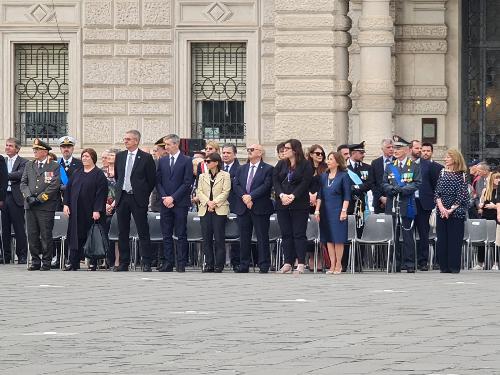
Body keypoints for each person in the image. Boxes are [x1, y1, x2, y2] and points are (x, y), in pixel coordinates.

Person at [113, 130, 156, 272]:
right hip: (123, 197)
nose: (125, 141)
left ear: (136, 141)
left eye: (129, 139)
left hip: (137, 198)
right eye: (125, 139)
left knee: (143, 230)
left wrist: (143, 193)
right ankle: (124, 262)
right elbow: (118, 176)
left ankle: (146, 262)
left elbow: (151, 180)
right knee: (122, 231)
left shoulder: (146, 157)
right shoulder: (120, 156)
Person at [63, 149, 108, 271]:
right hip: (76, 211)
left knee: (91, 235)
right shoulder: (77, 172)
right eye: (83, 156)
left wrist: (97, 209)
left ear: (93, 158)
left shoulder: (99, 174)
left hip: (91, 211)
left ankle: (92, 262)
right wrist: (66, 204)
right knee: (74, 236)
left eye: (87, 156)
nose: (84, 158)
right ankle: (73, 262)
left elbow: (101, 194)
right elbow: (68, 189)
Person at [273, 139, 313, 274]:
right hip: (282, 203)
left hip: (299, 203)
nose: (284, 150)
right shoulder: (281, 164)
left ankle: (301, 262)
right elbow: (275, 181)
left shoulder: (306, 164)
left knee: (299, 234)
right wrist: (281, 195)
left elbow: (305, 182)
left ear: (295, 150)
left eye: (287, 148)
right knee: (286, 234)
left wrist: (293, 196)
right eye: (283, 148)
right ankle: (287, 262)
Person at [233, 144, 274, 273]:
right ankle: (244, 264)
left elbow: (266, 186)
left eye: (252, 150)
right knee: (244, 237)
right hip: (243, 207)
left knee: (262, 237)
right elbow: (236, 184)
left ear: (260, 153)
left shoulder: (268, 169)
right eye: (248, 150)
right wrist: (245, 197)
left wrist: (251, 197)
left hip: (260, 207)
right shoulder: (242, 168)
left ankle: (263, 264)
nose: (249, 152)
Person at [20, 139, 60, 271]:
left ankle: (46, 262)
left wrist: (39, 198)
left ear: (45, 152)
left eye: (37, 150)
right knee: (32, 234)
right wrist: (28, 196)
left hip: (45, 206)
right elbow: (23, 183)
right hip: (30, 206)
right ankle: (35, 261)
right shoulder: (29, 165)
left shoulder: (54, 165)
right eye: (34, 150)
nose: (35, 152)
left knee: (45, 234)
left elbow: (54, 185)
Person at [383, 136, 421, 273]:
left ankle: (410, 264)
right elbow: (384, 184)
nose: (395, 150)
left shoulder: (414, 166)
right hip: (393, 204)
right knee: (393, 235)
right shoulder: (389, 166)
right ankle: (395, 263)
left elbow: (417, 183)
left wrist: (403, 190)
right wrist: (392, 189)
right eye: (394, 148)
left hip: (407, 204)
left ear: (406, 149)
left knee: (407, 236)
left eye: (398, 148)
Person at [156, 134, 194, 273]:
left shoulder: (186, 160)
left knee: (181, 233)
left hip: (180, 203)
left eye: (167, 144)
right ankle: (168, 262)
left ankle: (181, 262)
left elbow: (187, 182)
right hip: (165, 202)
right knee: (166, 234)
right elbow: (158, 181)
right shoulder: (162, 160)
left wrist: (173, 198)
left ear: (176, 144)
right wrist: (165, 197)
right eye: (165, 145)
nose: (165, 147)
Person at [315, 151, 351, 274]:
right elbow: (320, 195)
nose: (328, 161)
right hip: (325, 210)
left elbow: (347, 196)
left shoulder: (343, 176)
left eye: (331, 159)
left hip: (338, 210)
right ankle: (331, 264)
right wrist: (317, 210)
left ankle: (338, 264)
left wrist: (344, 211)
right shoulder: (324, 176)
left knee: (338, 238)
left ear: (337, 162)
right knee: (328, 238)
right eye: (328, 159)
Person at [435, 148, 470, 274]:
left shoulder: (462, 175)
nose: (445, 159)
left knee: (454, 240)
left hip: (456, 211)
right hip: (441, 210)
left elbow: (462, 193)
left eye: (448, 157)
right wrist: (441, 207)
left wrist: (451, 209)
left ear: (455, 159)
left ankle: (454, 266)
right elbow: (437, 192)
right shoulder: (442, 172)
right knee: (442, 239)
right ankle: (443, 267)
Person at [410, 140, 443, 271]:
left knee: (423, 233)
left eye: (427, 151)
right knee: (408, 233)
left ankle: (423, 261)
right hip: (410, 202)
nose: (424, 153)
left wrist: (435, 201)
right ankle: (409, 260)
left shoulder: (431, 166)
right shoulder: (408, 164)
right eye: (421, 150)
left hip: (424, 203)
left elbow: (436, 186)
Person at [196, 152, 231, 272]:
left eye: (208, 161)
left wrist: (214, 203)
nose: (206, 163)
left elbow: (226, 192)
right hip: (205, 209)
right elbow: (199, 191)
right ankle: (209, 263)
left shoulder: (225, 175)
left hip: (219, 209)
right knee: (206, 238)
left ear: (216, 162)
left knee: (219, 238)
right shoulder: (202, 176)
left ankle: (219, 264)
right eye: (205, 161)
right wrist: (208, 202)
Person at [345, 141, 373, 271]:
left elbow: (369, 185)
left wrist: (354, 187)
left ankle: (358, 263)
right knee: (346, 233)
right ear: (353, 153)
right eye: (361, 153)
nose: (363, 155)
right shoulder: (344, 168)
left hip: (361, 205)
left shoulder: (367, 167)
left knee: (360, 232)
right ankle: (344, 262)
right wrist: (355, 188)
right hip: (347, 204)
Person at [1, 138, 28, 264]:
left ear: (17, 148)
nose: (7, 147)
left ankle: (22, 255)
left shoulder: (24, 162)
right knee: (4, 229)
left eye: (10, 146)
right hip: (3, 197)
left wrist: (4, 176)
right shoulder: (3, 161)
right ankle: (6, 255)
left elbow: (20, 175)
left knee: (19, 229)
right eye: (6, 145)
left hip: (16, 198)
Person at [306, 144, 327, 271]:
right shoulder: (305, 167)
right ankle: (310, 257)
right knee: (308, 231)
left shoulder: (325, 168)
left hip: (320, 203)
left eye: (322, 154)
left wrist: (316, 196)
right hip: (306, 202)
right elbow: (302, 183)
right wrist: (309, 195)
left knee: (319, 231)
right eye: (317, 153)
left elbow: (325, 185)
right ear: (311, 154)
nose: (320, 156)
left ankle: (319, 258)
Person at [221, 143, 241, 271]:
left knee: (235, 234)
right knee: (218, 234)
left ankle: (236, 262)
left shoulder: (240, 169)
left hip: (234, 205)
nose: (225, 155)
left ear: (235, 154)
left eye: (228, 153)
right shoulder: (217, 168)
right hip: (219, 205)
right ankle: (219, 262)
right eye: (223, 153)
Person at [476, 171, 500, 270]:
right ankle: (480, 263)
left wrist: (494, 206)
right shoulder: (486, 190)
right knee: (482, 240)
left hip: (495, 217)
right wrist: (480, 206)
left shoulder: (499, 191)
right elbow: (481, 203)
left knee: (496, 241)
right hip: (486, 216)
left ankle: (496, 263)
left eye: (499, 178)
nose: (498, 180)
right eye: (496, 178)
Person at [103, 148, 120, 269]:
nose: (109, 157)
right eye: (108, 155)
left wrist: (113, 204)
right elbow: (98, 190)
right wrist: (105, 204)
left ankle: (117, 261)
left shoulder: (121, 172)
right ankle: (105, 260)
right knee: (104, 233)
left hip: (117, 206)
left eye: (112, 155)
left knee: (117, 234)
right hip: (103, 206)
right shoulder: (101, 172)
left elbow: (121, 189)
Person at [371, 139, 394, 214]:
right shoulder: (375, 163)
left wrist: (391, 198)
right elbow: (372, 183)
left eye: (392, 147)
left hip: (394, 201)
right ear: (382, 149)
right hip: (379, 202)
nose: (391, 149)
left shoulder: (398, 162)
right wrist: (381, 197)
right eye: (388, 147)